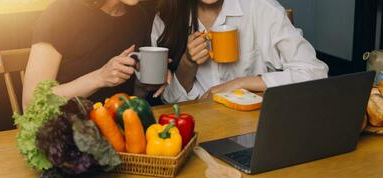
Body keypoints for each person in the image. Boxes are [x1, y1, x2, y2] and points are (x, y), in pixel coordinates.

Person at [152, 0, 329, 103]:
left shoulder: (260, 7)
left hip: (256, 134)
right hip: (196, 137)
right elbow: (169, 101)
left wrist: (239, 84)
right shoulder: (167, 19)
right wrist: (188, 63)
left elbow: (315, 73)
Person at [22, 0, 165, 108]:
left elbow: (131, 97)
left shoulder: (140, 17)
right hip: (66, 132)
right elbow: (31, 102)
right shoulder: (62, 11)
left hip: (116, 135)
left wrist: (146, 84)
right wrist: (99, 78)